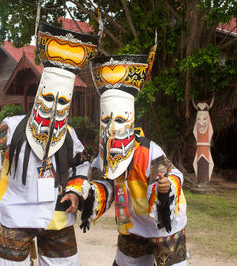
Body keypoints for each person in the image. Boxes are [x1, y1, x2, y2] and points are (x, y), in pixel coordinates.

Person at [0, 9, 102, 265]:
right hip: (18, 214)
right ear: (39, 97)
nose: (54, 108)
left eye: (62, 103)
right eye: (49, 99)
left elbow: (81, 165)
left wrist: (74, 191)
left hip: (58, 217)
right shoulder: (14, 126)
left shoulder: (69, 134)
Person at [80, 39, 188, 266]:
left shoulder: (148, 150)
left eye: (119, 120)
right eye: (106, 120)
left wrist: (165, 187)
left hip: (164, 227)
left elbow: (173, 176)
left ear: (130, 121)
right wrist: (90, 193)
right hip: (132, 227)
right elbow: (103, 187)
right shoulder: (102, 157)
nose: (111, 128)